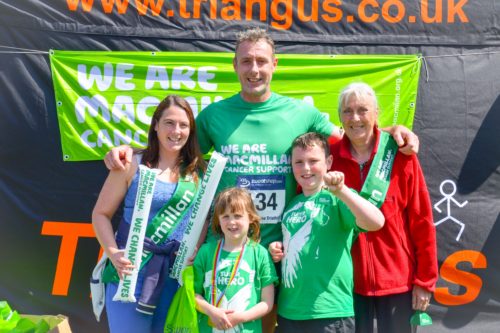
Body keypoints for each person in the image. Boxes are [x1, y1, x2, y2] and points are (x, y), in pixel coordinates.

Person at [104, 27, 419, 332]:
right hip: (226, 249)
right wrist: (129, 151)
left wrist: (391, 131)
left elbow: (352, 138)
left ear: (274, 65)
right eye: (246, 61)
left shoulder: (301, 113)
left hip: (280, 250)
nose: (254, 69)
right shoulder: (215, 115)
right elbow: (174, 145)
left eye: (261, 61)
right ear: (235, 66)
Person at [92, 95, 206, 333]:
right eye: (169, 123)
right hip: (131, 274)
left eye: (183, 125)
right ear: (156, 125)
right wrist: (113, 254)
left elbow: (203, 217)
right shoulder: (131, 164)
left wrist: (197, 247)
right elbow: (100, 214)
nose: (176, 131)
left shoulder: (197, 172)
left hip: (176, 277)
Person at [330, 83, 438, 333]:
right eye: (347, 111)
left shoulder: (400, 154)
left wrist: (425, 280)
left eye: (362, 110)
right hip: (346, 284)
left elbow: (422, 220)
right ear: (339, 117)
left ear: (377, 113)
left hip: (397, 281)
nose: (355, 118)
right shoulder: (328, 157)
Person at [268, 132, 384, 333]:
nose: (306, 168)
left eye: (313, 161)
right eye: (299, 162)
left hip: (329, 312)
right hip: (289, 312)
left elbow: (376, 222)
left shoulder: (338, 198)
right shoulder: (292, 204)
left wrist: (342, 191)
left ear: (329, 162)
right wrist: (277, 249)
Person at [193, 187, 278, 333]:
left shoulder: (260, 254)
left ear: (250, 217)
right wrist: (211, 311)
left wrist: (241, 317)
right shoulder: (206, 252)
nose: (232, 222)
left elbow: (267, 303)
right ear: (218, 220)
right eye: (225, 216)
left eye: (238, 216)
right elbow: (193, 294)